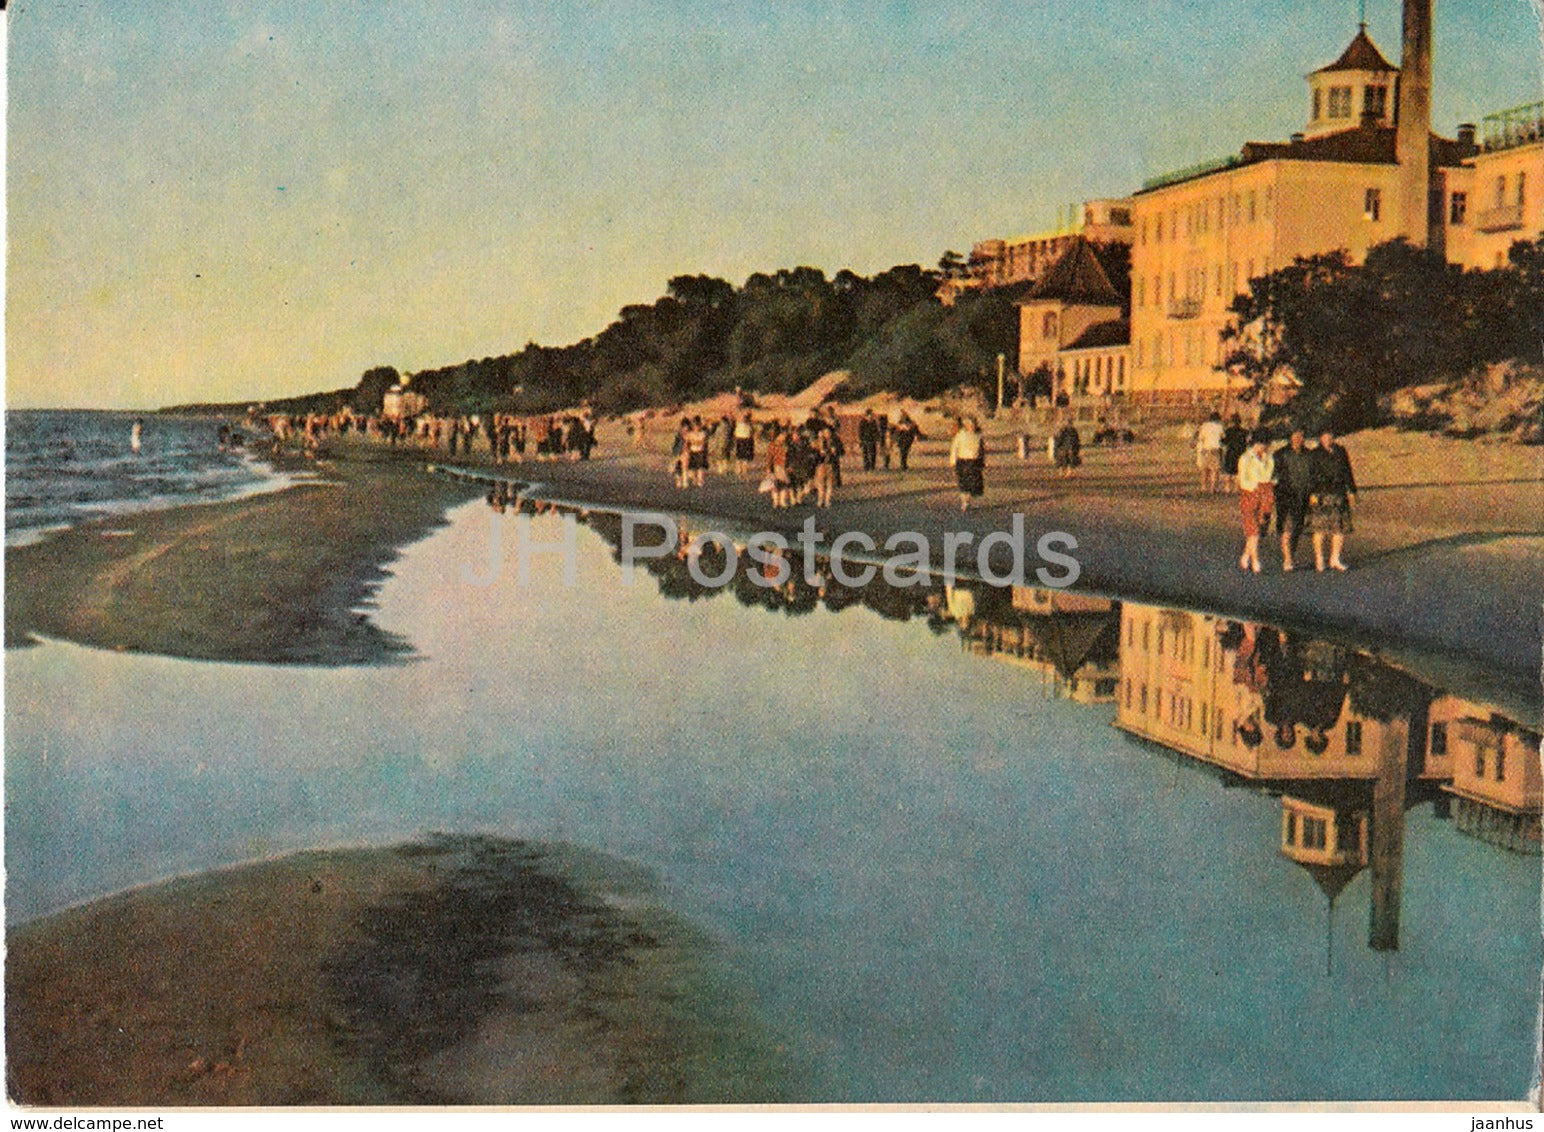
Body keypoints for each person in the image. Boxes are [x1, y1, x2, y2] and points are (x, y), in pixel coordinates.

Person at [1306, 428, 1357, 571]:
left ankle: (1335, 559)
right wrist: (1312, 493)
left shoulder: (1340, 451)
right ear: (1320, 438)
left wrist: (1352, 490)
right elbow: (1310, 475)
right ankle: (1319, 559)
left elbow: (1347, 470)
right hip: (1321, 493)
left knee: (1339, 528)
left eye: (1330, 436)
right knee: (1319, 528)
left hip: (1339, 492)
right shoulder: (1314, 454)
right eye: (1324, 436)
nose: (1328, 438)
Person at [1273, 428, 1313, 571]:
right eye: (1295, 436)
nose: (1298, 439)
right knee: (1286, 526)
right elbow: (1274, 475)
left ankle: (1291, 555)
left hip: (1303, 495)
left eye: (1301, 436)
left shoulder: (1309, 455)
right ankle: (1287, 559)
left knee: (1297, 527)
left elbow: (1313, 475)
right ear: (1290, 437)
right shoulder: (1280, 454)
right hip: (1286, 495)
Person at [1236, 433, 1276, 573]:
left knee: (1260, 527)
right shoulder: (1245, 458)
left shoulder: (1268, 458)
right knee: (1252, 528)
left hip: (1266, 494)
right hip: (1250, 493)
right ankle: (1255, 560)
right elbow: (1242, 479)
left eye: (1264, 444)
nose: (1262, 447)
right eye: (1259, 444)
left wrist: (1269, 485)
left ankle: (1246, 555)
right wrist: (1255, 487)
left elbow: (1270, 475)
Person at [949, 417, 985, 511]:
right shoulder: (961, 434)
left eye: (973, 424)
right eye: (970, 424)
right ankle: (965, 502)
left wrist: (982, 461)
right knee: (963, 482)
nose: (972, 426)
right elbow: (954, 447)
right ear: (966, 425)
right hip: (963, 460)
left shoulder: (978, 435)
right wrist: (953, 460)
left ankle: (968, 500)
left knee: (973, 483)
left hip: (974, 461)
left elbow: (982, 449)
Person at [1193, 411, 1224, 493]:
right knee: (1214, 470)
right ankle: (1213, 488)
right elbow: (1222, 437)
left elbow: (1201, 438)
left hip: (1206, 449)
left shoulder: (1204, 426)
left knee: (1204, 470)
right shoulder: (1219, 427)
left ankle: (1203, 487)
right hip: (1216, 449)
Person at [1221, 414, 1249, 490]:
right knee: (1238, 472)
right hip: (1240, 452)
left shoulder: (1228, 431)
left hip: (1230, 452)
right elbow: (1247, 443)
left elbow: (1224, 442)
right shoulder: (1245, 432)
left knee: (1228, 472)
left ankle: (1227, 487)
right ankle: (1236, 488)